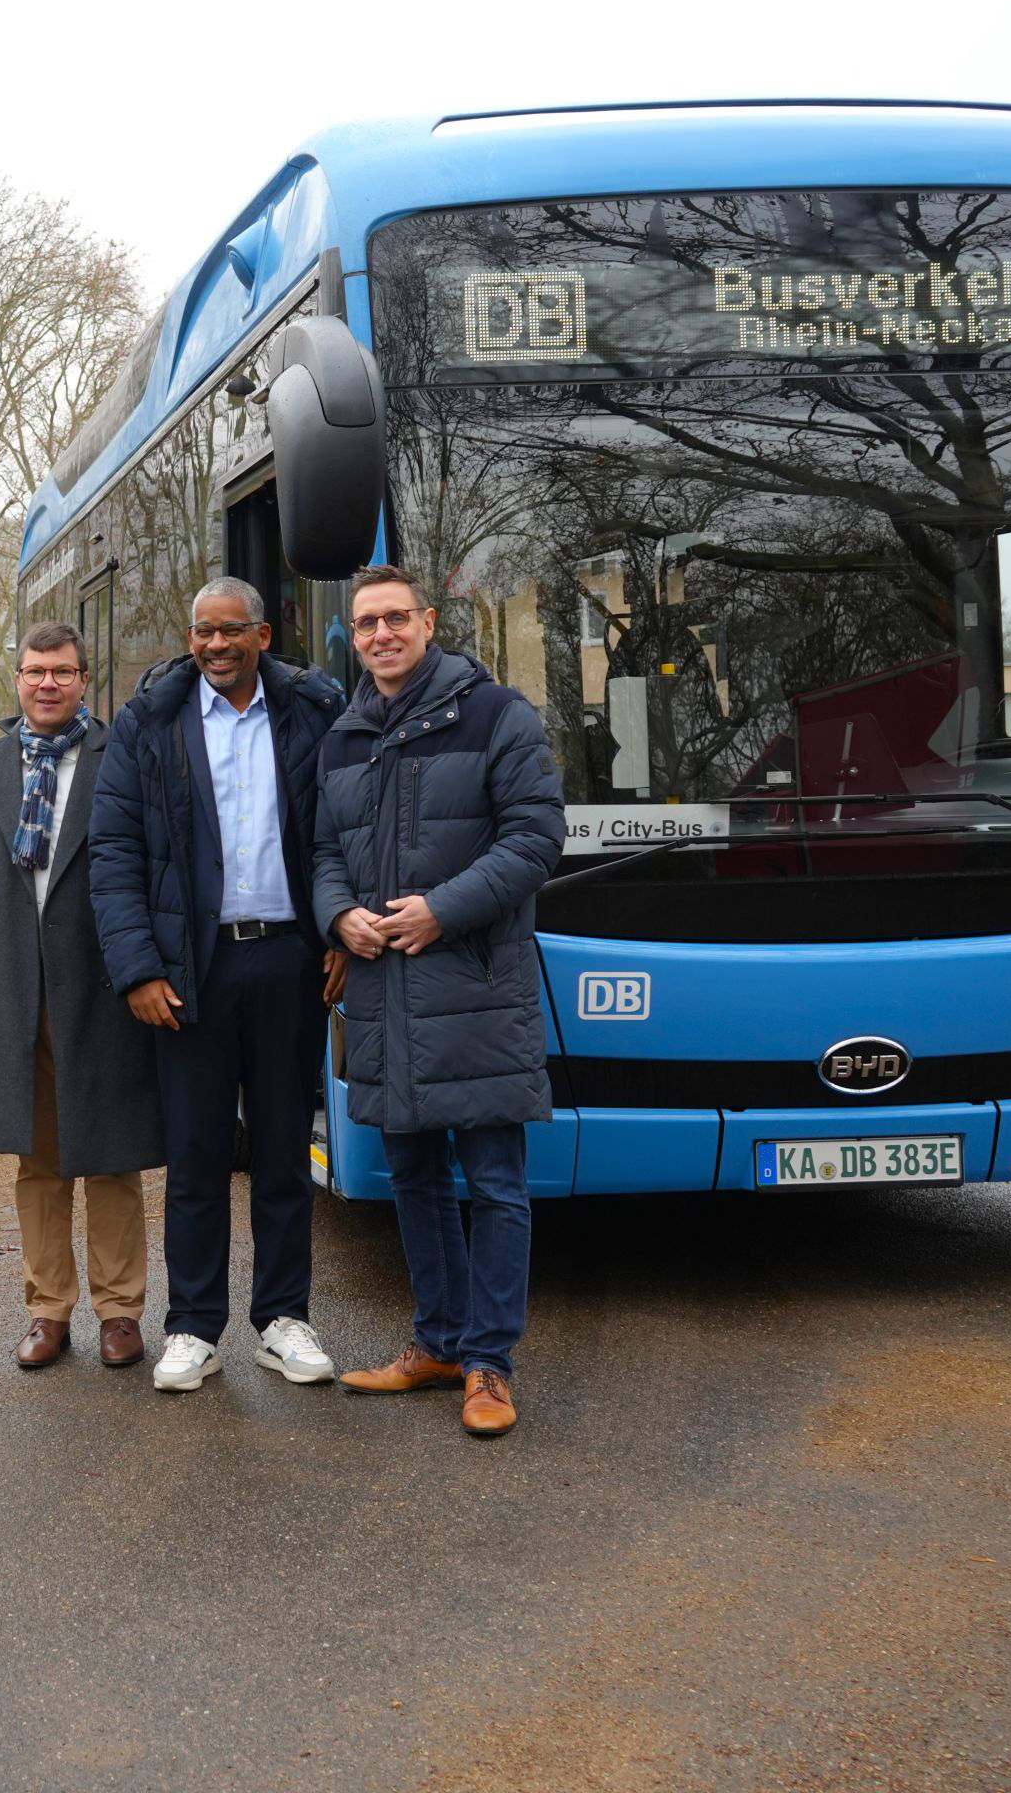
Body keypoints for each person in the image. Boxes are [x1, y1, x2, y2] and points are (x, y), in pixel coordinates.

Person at [313, 566, 563, 1438]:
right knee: (413, 1180)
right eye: (366, 624)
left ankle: (490, 1364)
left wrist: (442, 910)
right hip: (384, 990)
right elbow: (324, 852)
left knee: (495, 1184)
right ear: (353, 637)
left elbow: (536, 838)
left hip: (477, 989)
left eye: (396, 618)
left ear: (427, 623)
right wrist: (338, 914)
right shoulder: (342, 738)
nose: (381, 634)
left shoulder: (497, 715)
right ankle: (439, 1344)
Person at [87, 576, 346, 1395]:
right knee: (196, 1158)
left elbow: (348, 831)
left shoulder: (313, 711)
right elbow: (114, 852)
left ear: (262, 637)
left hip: (289, 961)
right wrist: (138, 968)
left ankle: (283, 1319)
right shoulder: (150, 721)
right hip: (189, 971)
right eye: (203, 631)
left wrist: (342, 933)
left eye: (232, 630)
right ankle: (193, 1327)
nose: (215, 645)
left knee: (282, 1154)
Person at [0, 623, 163, 1370]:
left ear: (83, 680)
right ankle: (48, 1309)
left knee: (111, 1156)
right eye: (35, 671)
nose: (48, 683)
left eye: (62, 672)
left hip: (101, 985)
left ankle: (120, 1311)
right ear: (17, 679)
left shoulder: (120, 754)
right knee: (37, 1159)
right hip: (12, 984)